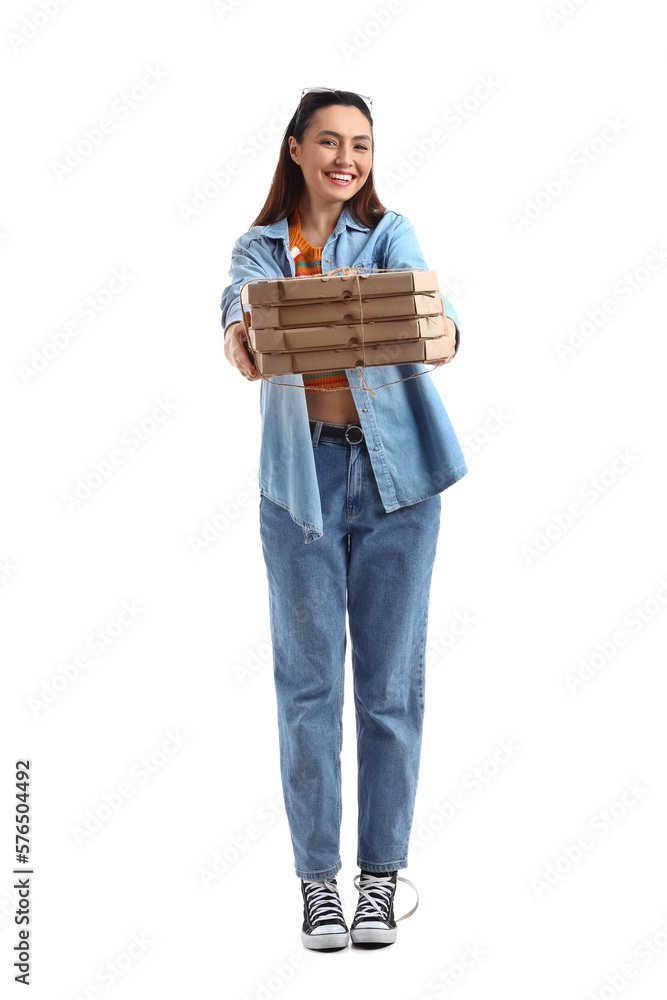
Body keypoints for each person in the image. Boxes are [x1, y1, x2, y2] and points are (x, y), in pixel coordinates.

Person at [220, 88, 468, 951]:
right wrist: (257, 335)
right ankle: (317, 887)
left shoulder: (389, 231)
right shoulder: (259, 248)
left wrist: (411, 324)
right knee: (310, 687)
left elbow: (431, 321)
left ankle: (379, 881)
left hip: (400, 482)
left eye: (359, 144)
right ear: (293, 148)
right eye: (328, 141)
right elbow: (248, 329)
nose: (345, 158)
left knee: (390, 687)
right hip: (301, 487)